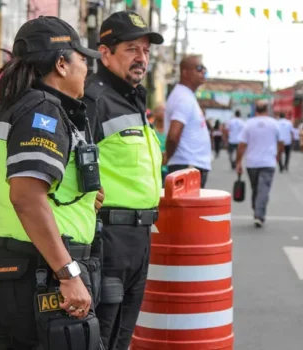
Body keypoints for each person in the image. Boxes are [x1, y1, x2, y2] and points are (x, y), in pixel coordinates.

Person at [0, 16, 104, 349]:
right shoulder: (42, 111)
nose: (86, 70)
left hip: (12, 263)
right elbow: (27, 197)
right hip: (40, 271)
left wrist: (84, 201)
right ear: (61, 64)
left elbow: (30, 187)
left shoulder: (12, 106)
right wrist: (67, 273)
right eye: (82, 60)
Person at [81, 11, 164, 349]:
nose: (141, 58)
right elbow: (74, 162)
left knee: (122, 338)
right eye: (131, 49)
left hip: (139, 237)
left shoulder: (132, 98)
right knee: (101, 336)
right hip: (108, 238)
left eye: (145, 50)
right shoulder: (94, 98)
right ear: (105, 53)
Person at [165, 55, 212, 187]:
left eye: (204, 68)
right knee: (187, 208)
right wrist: (168, 157)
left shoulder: (187, 95)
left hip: (190, 166)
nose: (203, 71)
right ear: (185, 72)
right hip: (186, 167)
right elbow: (173, 136)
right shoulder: (182, 97)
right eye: (199, 68)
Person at [235, 101, 284, 227]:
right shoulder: (274, 124)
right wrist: (278, 155)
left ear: (255, 110)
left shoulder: (248, 124)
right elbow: (281, 142)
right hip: (268, 162)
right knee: (263, 190)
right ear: (267, 110)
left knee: (256, 189)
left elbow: (242, 145)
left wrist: (239, 161)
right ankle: (258, 212)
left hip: (252, 163)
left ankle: (258, 213)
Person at [152, 105, 169, 181]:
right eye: (159, 110)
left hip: (166, 168)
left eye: (164, 111)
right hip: (154, 168)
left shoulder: (169, 130)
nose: (162, 113)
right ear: (154, 113)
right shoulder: (150, 130)